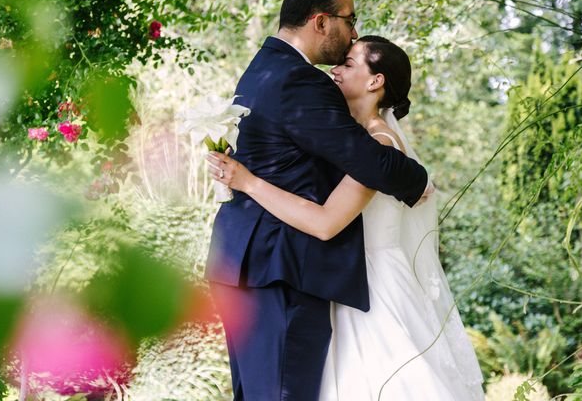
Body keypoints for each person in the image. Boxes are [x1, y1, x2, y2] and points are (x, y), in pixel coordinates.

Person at [207, 36, 485, 400]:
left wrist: (248, 181)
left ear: (375, 82)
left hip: (373, 287)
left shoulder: (379, 144)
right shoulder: (343, 139)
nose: (335, 69)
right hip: (335, 281)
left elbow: (326, 222)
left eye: (349, 64)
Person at [204, 0, 429, 401]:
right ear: (321, 22)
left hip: (245, 262)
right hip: (281, 266)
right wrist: (418, 180)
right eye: (350, 19)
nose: (354, 33)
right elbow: (365, 160)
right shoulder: (299, 80)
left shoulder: (262, 67)